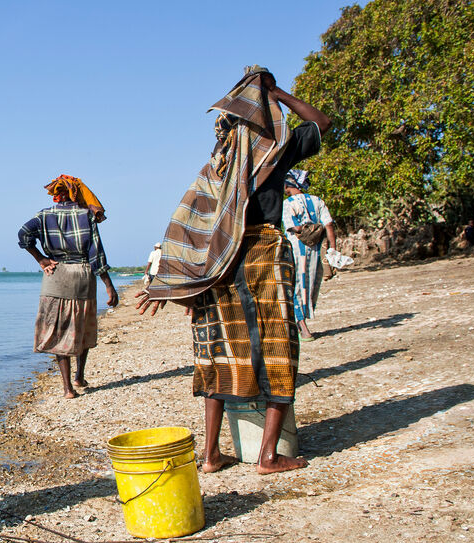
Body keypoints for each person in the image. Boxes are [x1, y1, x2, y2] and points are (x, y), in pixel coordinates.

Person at [136, 67, 330, 475]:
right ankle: (268, 456)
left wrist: (167, 282)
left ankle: (210, 457)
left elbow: (190, 226)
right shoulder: (274, 152)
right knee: (278, 349)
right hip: (263, 254)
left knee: (217, 354)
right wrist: (276, 93)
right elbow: (321, 122)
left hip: (220, 263)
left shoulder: (218, 167)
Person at [18, 174, 120, 399]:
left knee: (59, 331)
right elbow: (96, 254)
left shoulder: (44, 216)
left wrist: (41, 259)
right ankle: (79, 377)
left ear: (58, 195)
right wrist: (109, 286)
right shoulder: (86, 216)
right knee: (82, 328)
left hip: (56, 275)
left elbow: (23, 235)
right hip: (82, 275)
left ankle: (67, 389)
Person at [281, 170, 336, 340]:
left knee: (296, 287)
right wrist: (332, 249)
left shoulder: (287, 204)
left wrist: (305, 228)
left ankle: (303, 328)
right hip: (316, 252)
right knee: (311, 286)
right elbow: (329, 226)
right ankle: (302, 323)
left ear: (287, 185)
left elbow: (295, 228)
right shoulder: (317, 201)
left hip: (298, 252)